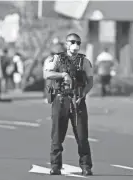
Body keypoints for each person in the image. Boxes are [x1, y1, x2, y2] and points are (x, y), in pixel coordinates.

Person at [43, 33, 94, 176]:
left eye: (78, 42)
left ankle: (86, 166)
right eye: (72, 42)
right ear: (66, 44)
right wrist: (63, 75)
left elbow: (90, 81)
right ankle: (55, 165)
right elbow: (47, 74)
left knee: (82, 135)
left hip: (78, 100)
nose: (75, 45)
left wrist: (83, 94)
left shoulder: (84, 61)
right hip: (61, 99)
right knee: (57, 135)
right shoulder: (57, 59)